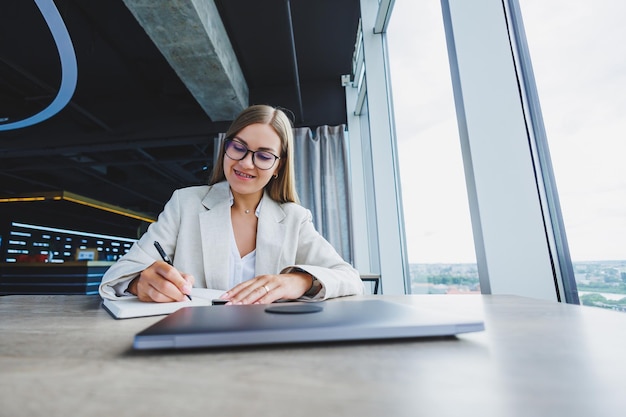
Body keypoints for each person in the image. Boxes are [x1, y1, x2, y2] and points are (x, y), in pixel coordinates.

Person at [99, 104, 364, 304]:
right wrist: (139, 282)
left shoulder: (294, 218)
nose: (246, 163)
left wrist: (298, 280)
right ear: (226, 147)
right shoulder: (186, 203)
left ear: (277, 167)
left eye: (263, 156)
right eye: (238, 147)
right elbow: (119, 274)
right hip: (194, 341)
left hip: (269, 345)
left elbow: (350, 277)